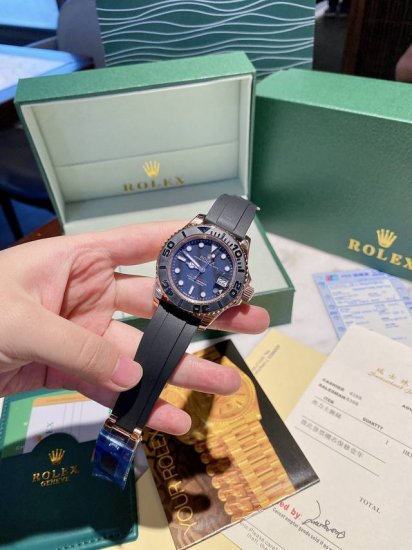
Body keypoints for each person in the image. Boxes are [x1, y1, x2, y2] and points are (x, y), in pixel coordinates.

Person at [0, 220, 269, 435]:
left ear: (239, 291)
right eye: (195, 263)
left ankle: (124, 428)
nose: (200, 269)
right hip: (171, 298)